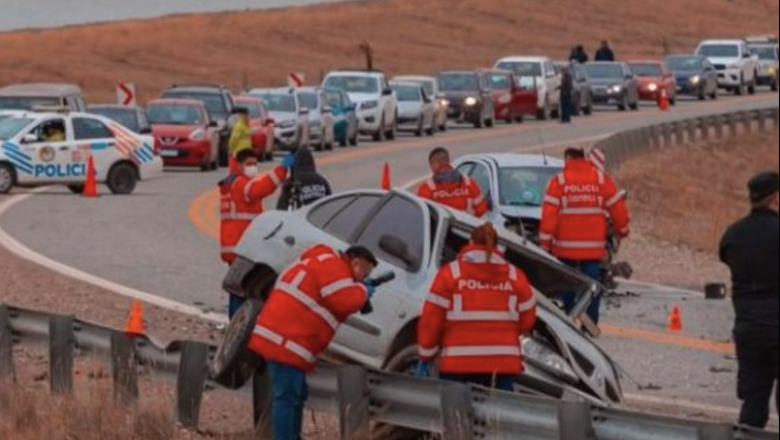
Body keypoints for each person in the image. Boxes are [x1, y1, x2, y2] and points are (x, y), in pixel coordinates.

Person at [247, 245, 378, 440]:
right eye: (364, 272)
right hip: (286, 342)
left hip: (284, 338)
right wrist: (363, 291)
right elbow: (344, 300)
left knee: (295, 394)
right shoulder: (334, 266)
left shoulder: (321, 261)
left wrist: (359, 289)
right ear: (356, 262)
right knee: (287, 396)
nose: (362, 278)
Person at [416, 223, 537, 391]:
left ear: (470, 242)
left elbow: (431, 320)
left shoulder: (451, 273)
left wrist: (426, 355)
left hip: (457, 364)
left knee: (456, 415)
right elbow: (528, 319)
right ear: (496, 246)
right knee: (499, 415)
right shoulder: (514, 275)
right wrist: (505, 333)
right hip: (502, 364)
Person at [539, 148, 630, 324]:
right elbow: (617, 209)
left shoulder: (559, 182)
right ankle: (591, 319)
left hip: (565, 248)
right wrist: (623, 230)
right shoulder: (600, 180)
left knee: (565, 282)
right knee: (592, 284)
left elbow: (549, 217)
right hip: (592, 248)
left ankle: (569, 315)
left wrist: (544, 244)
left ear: (568, 158)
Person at [719, 171, 778, 429]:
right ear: (776, 199)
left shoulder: (734, 234)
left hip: (748, 329)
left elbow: (725, 256)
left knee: (753, 403)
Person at [220, 149, 296, 317]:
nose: (253, 167)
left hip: (234, 248)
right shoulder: (241, 184)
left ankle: (235, 323)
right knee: (241, 290)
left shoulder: (231, 185)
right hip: (242, 248)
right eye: (249, 164)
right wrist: (282, 169)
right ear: (239, 165)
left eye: (255, 164)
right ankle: (237, 325)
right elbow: (260, 189)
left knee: (237, 288)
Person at [418, 147, 489, 217]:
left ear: (435, 164)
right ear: (448, 161)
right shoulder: (469, 183)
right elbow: (481, 210)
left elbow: (422, 215)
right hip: (467, 226)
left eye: (431, 165)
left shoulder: (427, 188)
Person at [277, 145, 332, 211]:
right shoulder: (322, 181)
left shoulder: (292, 182)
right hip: (320, 217)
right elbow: (330, 203)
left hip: (301, 218)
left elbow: (281, 208)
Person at [228, 108, 253, 174]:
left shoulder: (239, 126)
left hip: (239, 150)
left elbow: (234, 139)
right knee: (244, 169)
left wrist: (231, 148)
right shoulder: (246, 125)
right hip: (247, 149)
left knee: (236, 170)